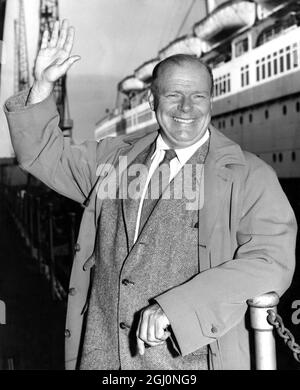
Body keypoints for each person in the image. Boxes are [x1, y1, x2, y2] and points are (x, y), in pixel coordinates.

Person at [4, 20, 297, 370]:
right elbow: (42, 154)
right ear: (152, 99)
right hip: (103, 361)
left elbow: (269, 261)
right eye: (173, 95)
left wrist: (179, 308)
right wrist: (42, 85)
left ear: (211, 101)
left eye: (198, 96)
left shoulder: (250, 176)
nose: (186, 108)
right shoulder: (112, 160)